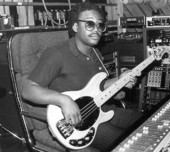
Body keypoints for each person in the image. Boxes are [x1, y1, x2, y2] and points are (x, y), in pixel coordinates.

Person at [21, 2, 142, 152]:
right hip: (80, 124)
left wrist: (121, 80)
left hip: (103, 109)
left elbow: (99, 86)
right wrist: (64, 100)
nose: (96, 30)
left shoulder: (95, 52)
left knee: (149, 123)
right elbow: (27, 90)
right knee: (135, 145)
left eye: (100, 25)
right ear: (75, 27)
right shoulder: (56, 53)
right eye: (89, 24)